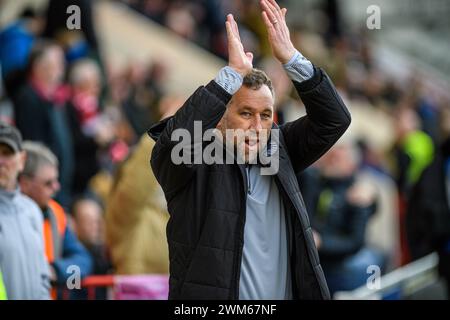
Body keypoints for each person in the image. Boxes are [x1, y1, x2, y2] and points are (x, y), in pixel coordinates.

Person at [148, 0, 351, 300]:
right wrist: (229, 77)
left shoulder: (278, 147)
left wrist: (292, 59)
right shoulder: (193, 160)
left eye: (265, 115)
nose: (258, 126)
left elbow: (334, 119)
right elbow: (173, 143)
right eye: (245, 113)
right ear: (219, 117)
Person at [18, 141, 92, 299]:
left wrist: (55, 271)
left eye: (56, 180)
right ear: (24, 183)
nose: (56, 187)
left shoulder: (55, 214)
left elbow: (84, 262)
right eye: (48, 183)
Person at [13, 40, 74, 208]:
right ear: (39, 67)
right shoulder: (29, 97)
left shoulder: (54, 98)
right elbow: (33, 144)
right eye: (57, 64)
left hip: (56, 185)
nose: (62, 69)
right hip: (40, 187)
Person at [0, 122, 50, 299]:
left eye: (7, 153)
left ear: (21, 160)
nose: (1, 161)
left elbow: (43, 277)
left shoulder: (32, 210)